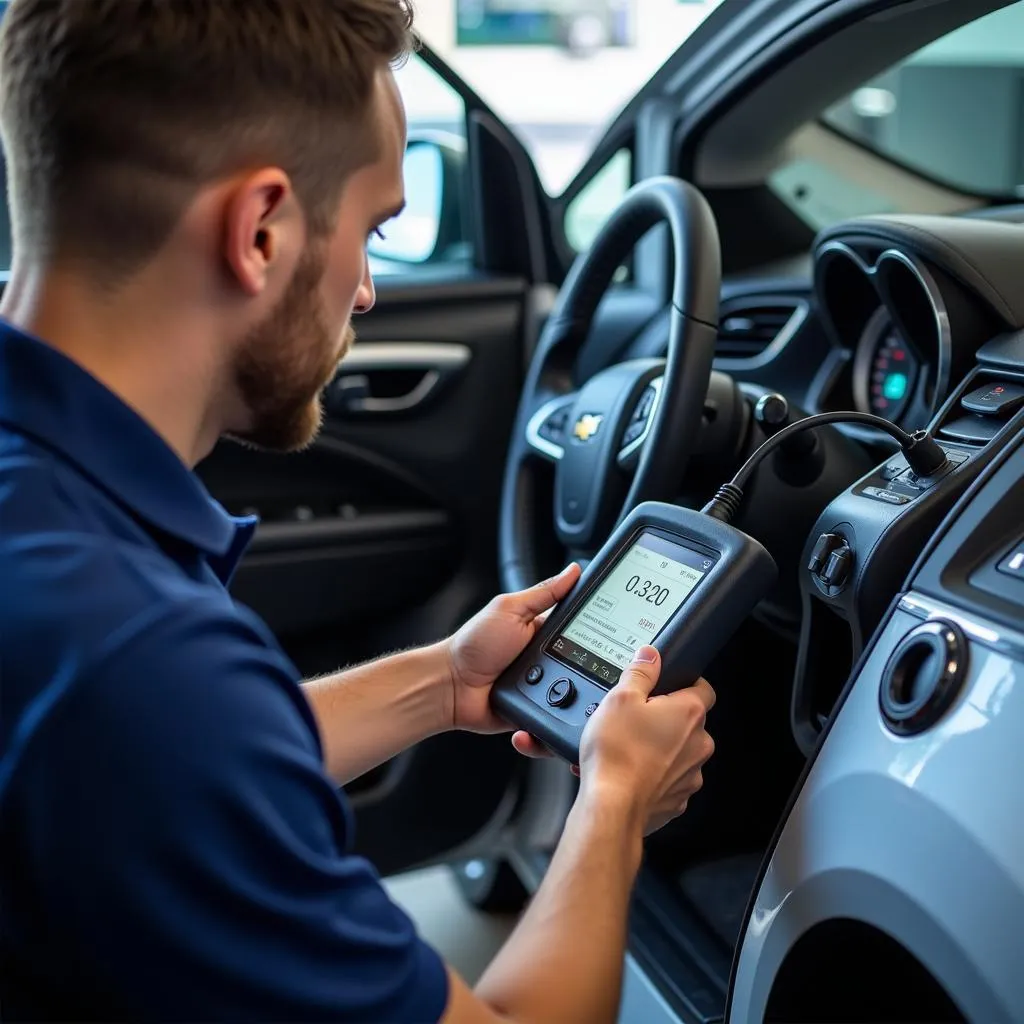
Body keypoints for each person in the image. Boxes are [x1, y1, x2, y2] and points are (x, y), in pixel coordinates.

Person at [0, 1, 716, 1021]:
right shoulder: (136, 659)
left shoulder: (66, 550)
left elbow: (190, 753)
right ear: (259, 230)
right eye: (376, 228)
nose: (371, 290)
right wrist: (612, 804)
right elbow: (168, 727)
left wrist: (444, 682)